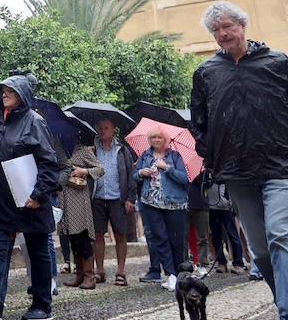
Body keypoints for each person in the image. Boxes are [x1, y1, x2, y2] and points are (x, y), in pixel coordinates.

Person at [191, 0, 288, 320]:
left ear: (243, 25)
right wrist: (211, 154)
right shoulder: (205, 72)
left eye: (227, 26)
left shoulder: (277, 62)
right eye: (215, 30)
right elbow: (198, 122)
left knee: (284, 238)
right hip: (236, 172)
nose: (222, 34)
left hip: (282, 165)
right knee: (261, 252)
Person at [0, 74, 62, 320]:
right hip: (1, 202)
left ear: (23, 94)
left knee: (38, 251)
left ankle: (42, 305)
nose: (5, 93)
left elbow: (49, 164)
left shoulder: (34, 122)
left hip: (31, 201)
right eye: (3, 89)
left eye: (11, 89)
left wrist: (38, 195)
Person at [133, 127, 189, 291]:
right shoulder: (145, 155)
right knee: (160, 237)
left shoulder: (175, 156)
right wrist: (141, 173)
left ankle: (180, 275)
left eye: (159, 137)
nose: (156, 140)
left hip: (175, 203)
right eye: (153, 137)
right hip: (150, 203)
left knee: (176, 239)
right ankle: (170, 275)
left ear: (165, 139)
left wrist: (167, 168)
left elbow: (184, 178)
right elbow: (134, 176)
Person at [90, 117, 136, 286]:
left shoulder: (122, 151)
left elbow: (131, 176)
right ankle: (99, 270)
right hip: (98, 197)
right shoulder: (93, 150)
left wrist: (131, 198)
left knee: (120, 234)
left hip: (118, 198)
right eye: (100, 127)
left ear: (113, 130)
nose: (103, 131)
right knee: (97, 235)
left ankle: (121, 271)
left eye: (106, 127)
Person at [57, 139, 104, 290]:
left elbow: (100, 169)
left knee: (83, 236)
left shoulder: (83, 150)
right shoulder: (59, 150)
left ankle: (90, 276)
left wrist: (83, 171)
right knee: (72, 237)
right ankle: (80, 274)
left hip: (79, 199)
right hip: (64, 199)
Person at [206, 180, 246, 273]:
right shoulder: (205, 174)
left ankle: (238, 263)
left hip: (227, 207)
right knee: (216, 237)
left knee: (233, 236)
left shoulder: (224, 170)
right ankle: (221, 262)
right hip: (212, 207)